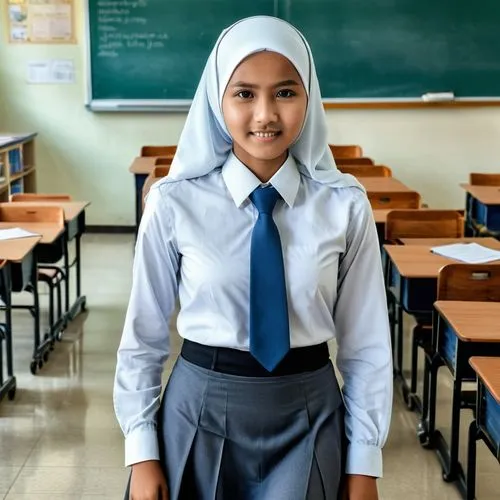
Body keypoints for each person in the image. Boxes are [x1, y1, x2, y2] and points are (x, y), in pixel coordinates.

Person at [114, 15, 393, 500]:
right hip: (198, 409)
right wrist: (142, 451)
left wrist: (365, 461)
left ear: (309, 98)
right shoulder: (173, 202)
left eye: (285, 93)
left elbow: (366, 344)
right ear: (217, 100)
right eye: (244, 93)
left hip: (310, 411)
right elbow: (142, 336)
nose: (265, 114)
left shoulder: (344, 205)